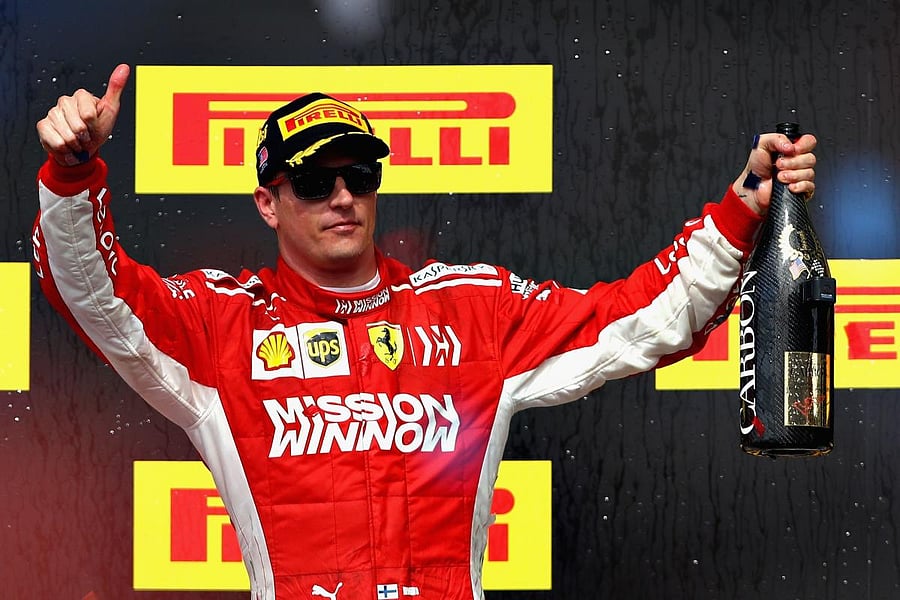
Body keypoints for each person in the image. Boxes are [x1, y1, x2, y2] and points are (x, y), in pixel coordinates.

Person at [33, 63, 816, 600]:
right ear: (268, 203)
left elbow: (646, 318)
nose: (342, 197)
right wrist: (73, 177)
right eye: (313, 181)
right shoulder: (221, 324)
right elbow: (99, 299)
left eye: (360, 176)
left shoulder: (470, 311)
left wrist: (747, 200)